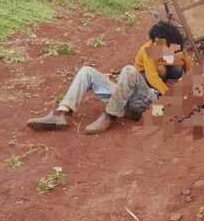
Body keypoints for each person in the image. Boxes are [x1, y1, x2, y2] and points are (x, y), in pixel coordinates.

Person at [27, 21, 192, 135]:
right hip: (127, 98)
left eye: (161, 43)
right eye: (155, 42)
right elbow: (152, 78)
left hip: (148, 104)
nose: (156, 46)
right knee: (87, 71)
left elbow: (192, 73)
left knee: (130, 71)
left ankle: (109, 116)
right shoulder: (147, 49)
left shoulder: (179, 53)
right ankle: (61, 113)